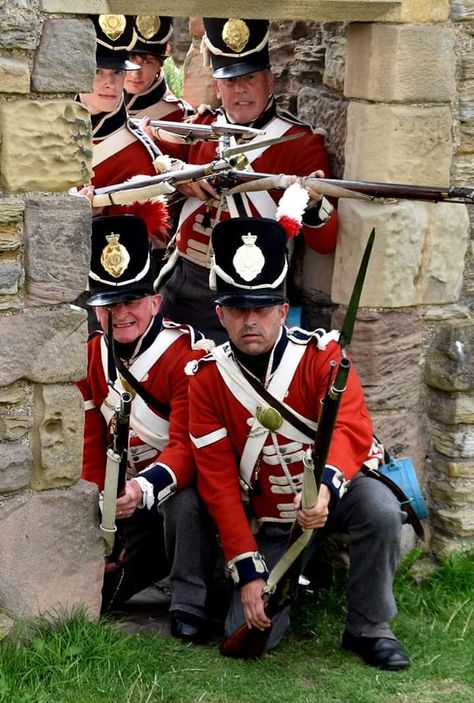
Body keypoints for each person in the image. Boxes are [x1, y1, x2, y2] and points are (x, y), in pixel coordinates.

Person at [187, 216, 411, 669]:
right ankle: (287, 580)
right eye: (238, 309)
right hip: (275, 517)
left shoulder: (321, 356)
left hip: (334, 493)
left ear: (282, 307)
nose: (251, 321)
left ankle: (370, 627)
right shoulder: (207, 380)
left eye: (263, 308)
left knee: (382, 510)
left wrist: (326, 489)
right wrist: (248, 573)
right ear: (220, 314)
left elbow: (351, 428)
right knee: (245, 634)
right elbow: (217, 483)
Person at [150, 17, 339, 343]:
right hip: (177, 278)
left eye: (250, 78)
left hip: (245, 291)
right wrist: (175, 174)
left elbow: (326, 242)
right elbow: (148, 148)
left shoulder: (297, 142)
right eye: (230, 81)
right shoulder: (202, 127)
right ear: (218, 87)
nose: (240, 89)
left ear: (269, 82)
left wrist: (311, 203)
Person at [77, 213, 216, 642]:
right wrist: (105, 517)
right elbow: (91, 444)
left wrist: (141, 491)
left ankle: (188, 600)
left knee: (183, 500)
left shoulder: (186, 355)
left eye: (131, 302)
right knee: (99, 596)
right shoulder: (91, 356)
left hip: (172, 489)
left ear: (155, 302)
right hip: (129, 502)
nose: (120, 315)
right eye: (109, 304)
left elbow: (187, 446)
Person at [78, 14, 171, 250]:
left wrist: (93, 219)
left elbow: (136, 247)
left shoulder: (139, 152)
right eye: (99, 71)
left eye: (117, 72)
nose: (110, 83)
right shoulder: (48, 127)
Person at [124, 15, 193, 121]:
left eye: (147, 62)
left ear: (159, 65)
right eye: (130, 60)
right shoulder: (97, 106)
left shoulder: (178, 114)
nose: (135, 74)